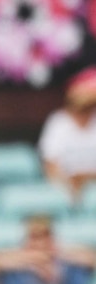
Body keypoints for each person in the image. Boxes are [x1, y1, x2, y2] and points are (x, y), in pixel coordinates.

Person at [38, 66, 96, 199]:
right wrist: (68, 184)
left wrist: (85, 178)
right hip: (63, 189)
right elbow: (50, 165)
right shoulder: (58, 122)